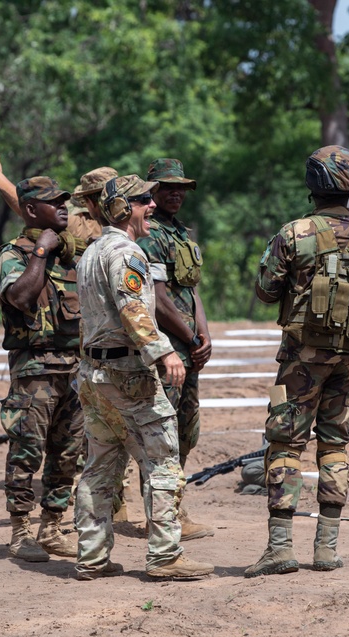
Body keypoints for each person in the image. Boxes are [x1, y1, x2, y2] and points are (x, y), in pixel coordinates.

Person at [245, 145, 349, 577]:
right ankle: (326, 550)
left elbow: (265, 290)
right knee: (335, 445)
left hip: (300, 360)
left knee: (285, 444)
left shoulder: (293, 234)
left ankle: (280, 549)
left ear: (313, 184)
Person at [74, 173, 214, 581]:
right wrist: (164, 351)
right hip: (128, 374)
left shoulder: (91, 252)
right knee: (164, 460)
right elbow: (133, 309)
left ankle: (92, 557)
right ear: (123, 208)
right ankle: (165, 555)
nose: (151, 205)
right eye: (141, 201)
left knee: (100, 466)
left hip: (94, 374)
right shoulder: (126, 253)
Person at [0, 176, 85, 562]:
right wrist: (41, 253)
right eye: (54, 202)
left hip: (75, 371)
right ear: (31, 210)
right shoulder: (13, 254)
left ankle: (52, 527)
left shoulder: (74, 255)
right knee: (26, 452)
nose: (64, 207)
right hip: (35, 372)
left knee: (68, 454)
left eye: (65, 201)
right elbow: (19, 295)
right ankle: (20, 532)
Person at [138, 158, 214, 541]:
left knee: (187, 430)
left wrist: (203, 334)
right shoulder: (149, 235)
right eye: (167, 187)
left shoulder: (182, 234)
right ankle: (160, 514)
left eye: (181, 187)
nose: (175, 193)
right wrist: (188, 337)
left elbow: (191, 291)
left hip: (187, 348)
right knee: (162, 433)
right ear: (150, 191)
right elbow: (158, 300)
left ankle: (175, 507)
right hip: (166, 350)